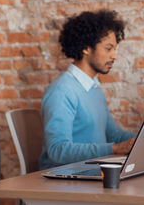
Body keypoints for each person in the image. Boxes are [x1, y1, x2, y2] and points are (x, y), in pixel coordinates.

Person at [39, 9, 136, 170]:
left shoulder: (93, 88)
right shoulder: (61, 91)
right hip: (65, 180)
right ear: (86, 48)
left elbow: (115, 136)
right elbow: (57, 150)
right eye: (108, 48)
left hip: (91, 172)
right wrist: (114, 149)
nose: (114, 56)